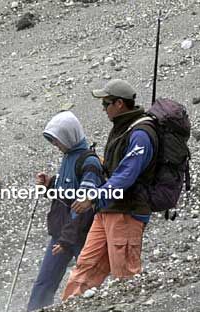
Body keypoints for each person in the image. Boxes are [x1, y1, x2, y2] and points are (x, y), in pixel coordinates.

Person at [61, 79, 155, 300]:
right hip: (107, 210)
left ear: (119, 104)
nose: (103, 109)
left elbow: (126, 176)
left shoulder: (141, 133)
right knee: (85, 265)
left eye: (106, 103)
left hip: (126, 212)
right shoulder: (122, 129)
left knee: (125, 275)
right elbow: (116, 171)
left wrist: (93, 197)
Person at [27, 111, 104, 312]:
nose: (55, 145)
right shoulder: (68, 157)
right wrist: (49, 184)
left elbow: (83, 208)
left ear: (69, 136)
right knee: (44, 282)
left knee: (85, 280)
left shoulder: (89, 162)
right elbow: (67, 191)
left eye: (57, 140)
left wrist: (66, 240)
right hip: (62, 235)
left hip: (81, 237)